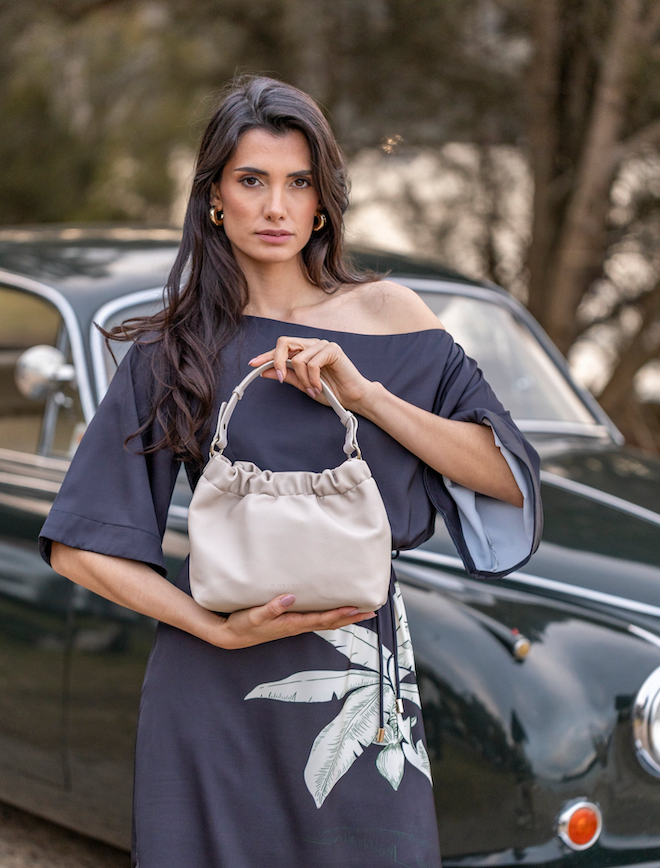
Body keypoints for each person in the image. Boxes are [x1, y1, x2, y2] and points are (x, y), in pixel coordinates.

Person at [38, 75, 542, 868]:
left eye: (298, 182)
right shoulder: (173, 348)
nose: (276, 207)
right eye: (252, 181)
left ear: (322, 201)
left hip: (360, 696)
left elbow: (505, 476)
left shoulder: (393, 319)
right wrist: (212, 627)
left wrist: (365, 394)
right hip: (212, 693)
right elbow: (81, 545)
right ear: (213, 198)